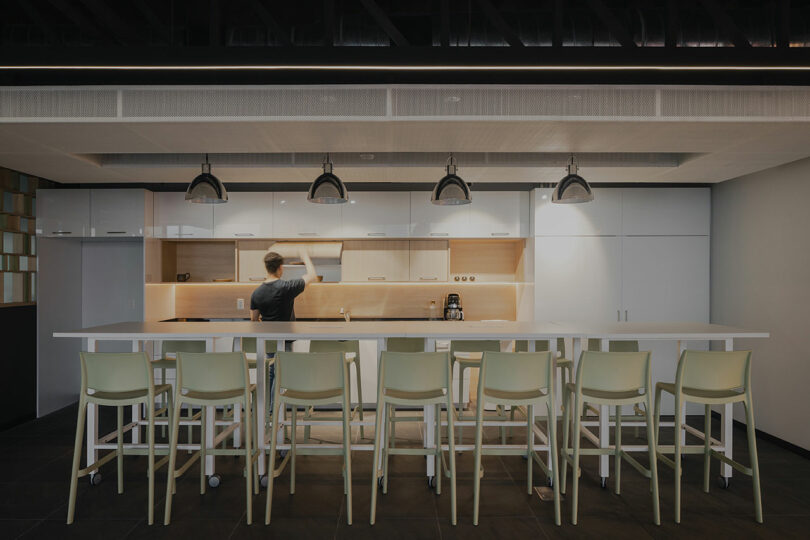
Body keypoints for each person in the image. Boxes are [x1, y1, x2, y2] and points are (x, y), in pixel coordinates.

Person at [250, 248, 318, 410]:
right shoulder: (286, 288)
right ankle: (274, 414)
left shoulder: (257, 293)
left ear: (267, 268)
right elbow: (313, 276)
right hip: (285, 340)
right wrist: (305, 256)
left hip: (268, 341)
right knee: (280, 374)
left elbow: (254, 319)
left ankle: (267, 412)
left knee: (272, 373)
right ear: (280, 268)